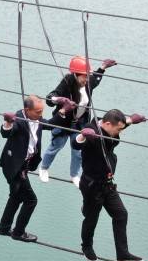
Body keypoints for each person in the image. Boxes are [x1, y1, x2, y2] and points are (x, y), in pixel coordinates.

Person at [73, 108, 147, 261]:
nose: (119, 132)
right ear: (107, 123)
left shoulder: (110, 124)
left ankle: (122, 253)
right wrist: (82, 136)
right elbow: (76, 144)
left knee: (121, 214)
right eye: (118, 129)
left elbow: (122, 123)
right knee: (91, 218)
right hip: (92, 186)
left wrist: (132, 120)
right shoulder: (92, 132)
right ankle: (86, 247)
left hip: (107, 184)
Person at [40, 55, 118, 187]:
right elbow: (50, 97)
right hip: (63, 122)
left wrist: (103, 67)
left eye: (88, 76)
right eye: (84, 76)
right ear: (75, 75)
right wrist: (59, 100)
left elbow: (96, 80)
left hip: (79, 123)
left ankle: (74, 175)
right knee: (55, 146)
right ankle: (44, 168)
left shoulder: (88, 83)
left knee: (78, 151)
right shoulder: (67, 82)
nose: (87, 79)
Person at [0, 95, 48, 243]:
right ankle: (18, 232)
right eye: (38, 111)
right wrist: (7, 122)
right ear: (27, 110)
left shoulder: (37, 120)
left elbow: (52, 124)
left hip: (22, 165)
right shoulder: (19, 119)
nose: (41, 115)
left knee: (16, 197)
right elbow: (5, 133)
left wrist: (64, 111)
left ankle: (4, 228)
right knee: (31, 200)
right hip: (14, 167)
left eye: (42, 111)